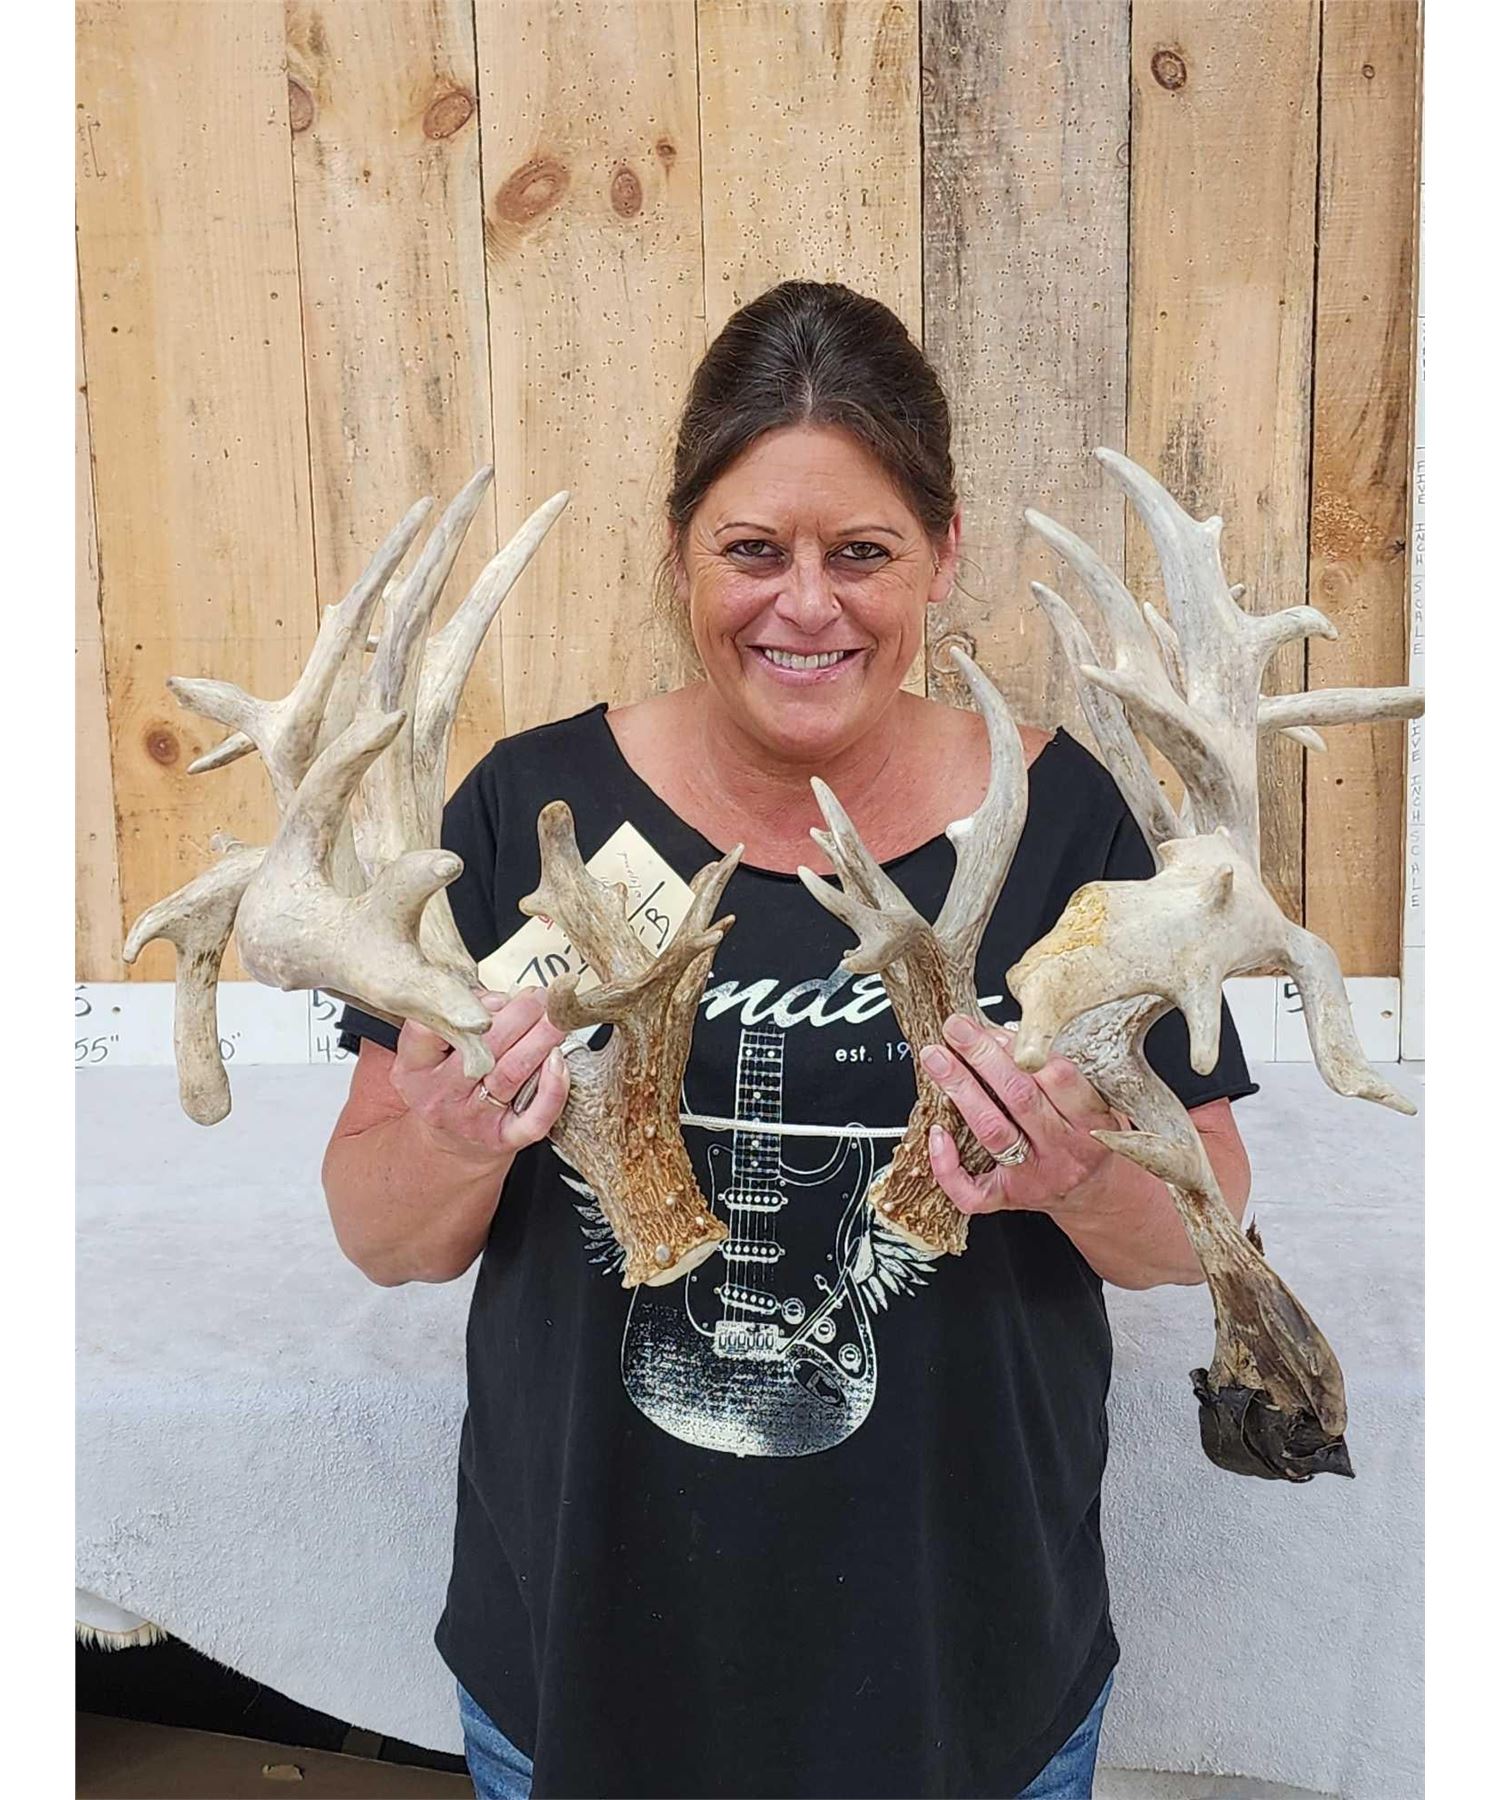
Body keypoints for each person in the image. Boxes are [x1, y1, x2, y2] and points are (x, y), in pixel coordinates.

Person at [323, 281, 1256, 1800]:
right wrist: (448, 1142)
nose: (805, 606)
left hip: (963, 1670)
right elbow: (382, 1236)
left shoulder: (1066, 824)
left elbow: (1198, 1235)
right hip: (589, 1662)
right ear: (680, 552)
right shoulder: (527, 812)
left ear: (943, 552)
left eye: (861, 553)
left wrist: (1083, 1177)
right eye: (752, 550)